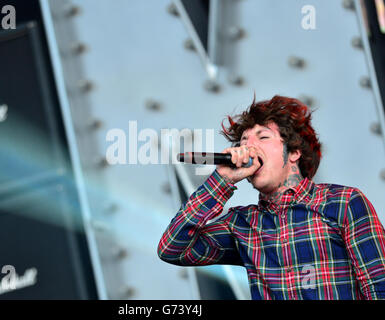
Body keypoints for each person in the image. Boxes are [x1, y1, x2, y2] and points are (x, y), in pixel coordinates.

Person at [157, 95, 385, 300]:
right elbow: (173, 248)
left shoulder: (343, 202)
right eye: (243, 141)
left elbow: (379, 285)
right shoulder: (242, 224)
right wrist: (222, 180)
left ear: (294, 152)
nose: (248, 147)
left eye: (262, 137)